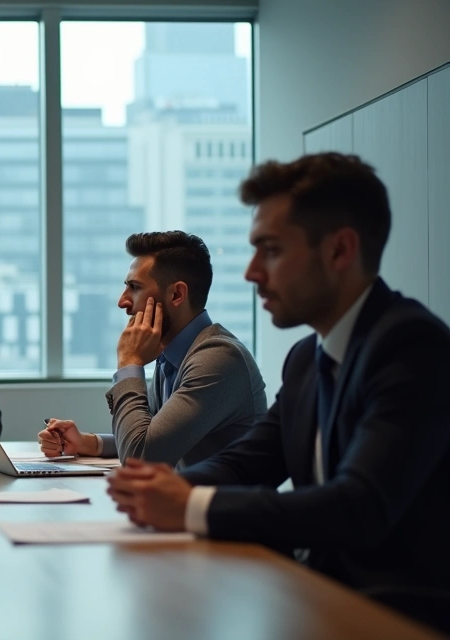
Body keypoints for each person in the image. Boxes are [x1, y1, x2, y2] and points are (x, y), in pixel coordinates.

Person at [107, 153, 450, 593]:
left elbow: (357, 507)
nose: (252, 273)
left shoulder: (412, 348)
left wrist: (192, 505)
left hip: (396, 614)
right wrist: (152, 490)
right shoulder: (308, 358)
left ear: (339, 250)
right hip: (320, 596)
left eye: (271, 250)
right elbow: (247, 462)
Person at [39, 232, 266, 467]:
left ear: (177, 294)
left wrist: (130, 363)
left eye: (134, 287)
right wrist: (89, 443)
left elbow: (140, 457)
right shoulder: (171, 354)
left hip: (220, 504)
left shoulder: (217, 359)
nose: (122, 301)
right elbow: (156, 439)